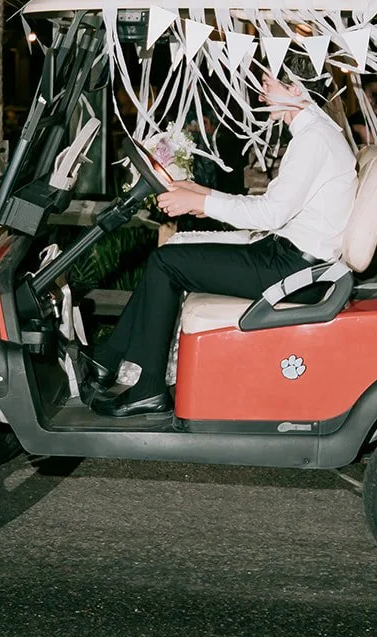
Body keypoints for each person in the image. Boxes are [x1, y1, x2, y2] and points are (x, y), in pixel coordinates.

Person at [81, 65, 358, 416]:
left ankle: (147, 389)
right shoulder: (316, 133)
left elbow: (270, 215)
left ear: (297, 90)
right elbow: (272, 207)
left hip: (294, 270)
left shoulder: (314, 139)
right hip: (287, 257)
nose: (261, 91)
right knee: (172, 253)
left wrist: (199, 202)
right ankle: (107, 360)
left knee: (166, 263)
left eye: (269, 82)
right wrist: (200, 191)